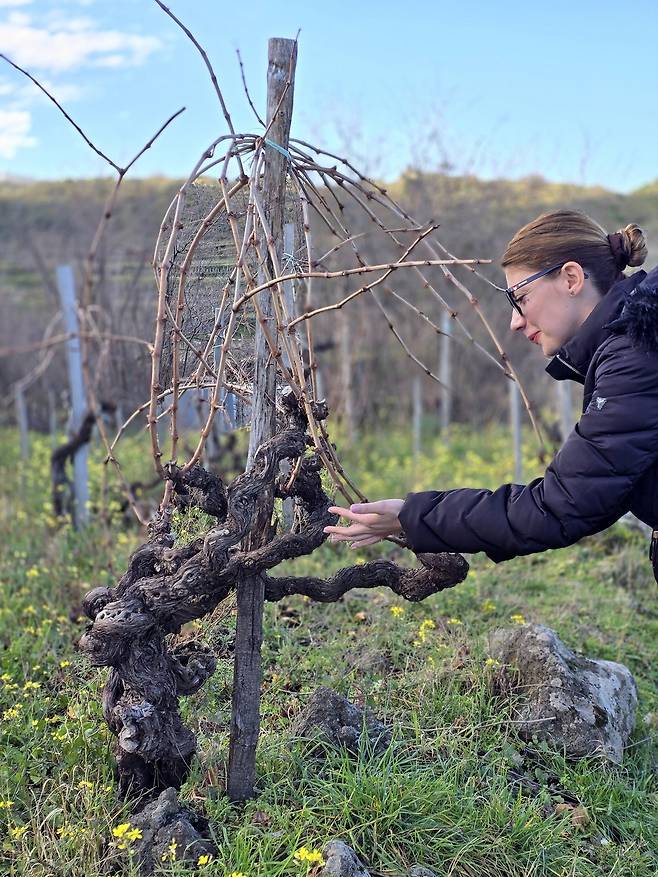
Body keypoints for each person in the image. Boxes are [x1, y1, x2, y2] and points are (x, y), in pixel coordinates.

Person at [323, 210, 658, 582]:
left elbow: (558, 507)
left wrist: (412, 515)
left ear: (571, 278)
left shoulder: (635, 356)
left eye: (521, 297)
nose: (515, 321)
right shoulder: (637, 342)